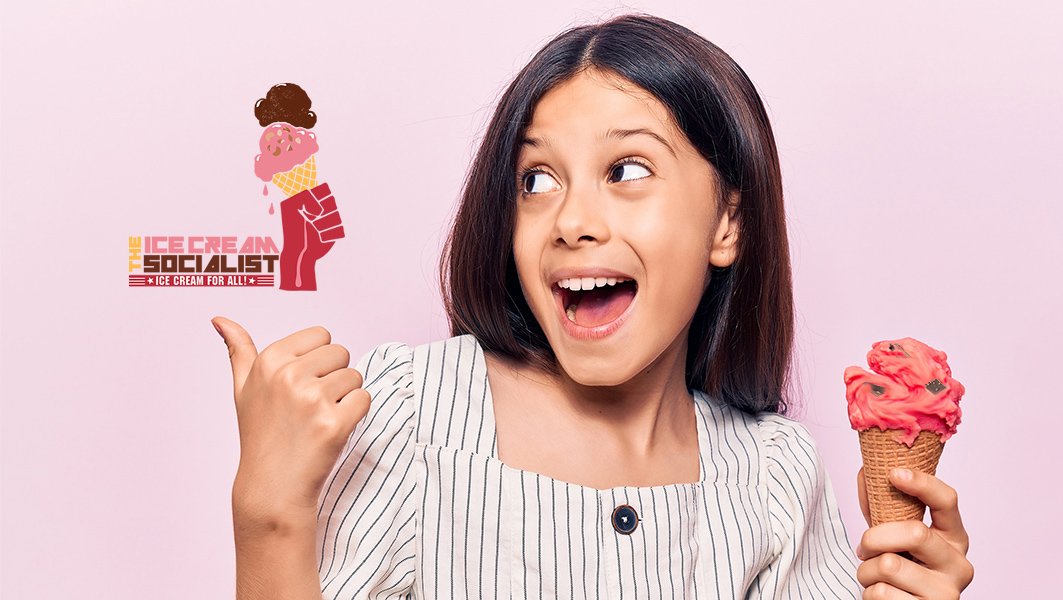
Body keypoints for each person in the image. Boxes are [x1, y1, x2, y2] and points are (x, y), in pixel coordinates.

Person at [215, 12, 973, 599]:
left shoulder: (775, 474)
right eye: (536, 180)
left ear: (726, 224)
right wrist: (269, 514)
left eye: (627, 169)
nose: (571, 220)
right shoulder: (409, 415)